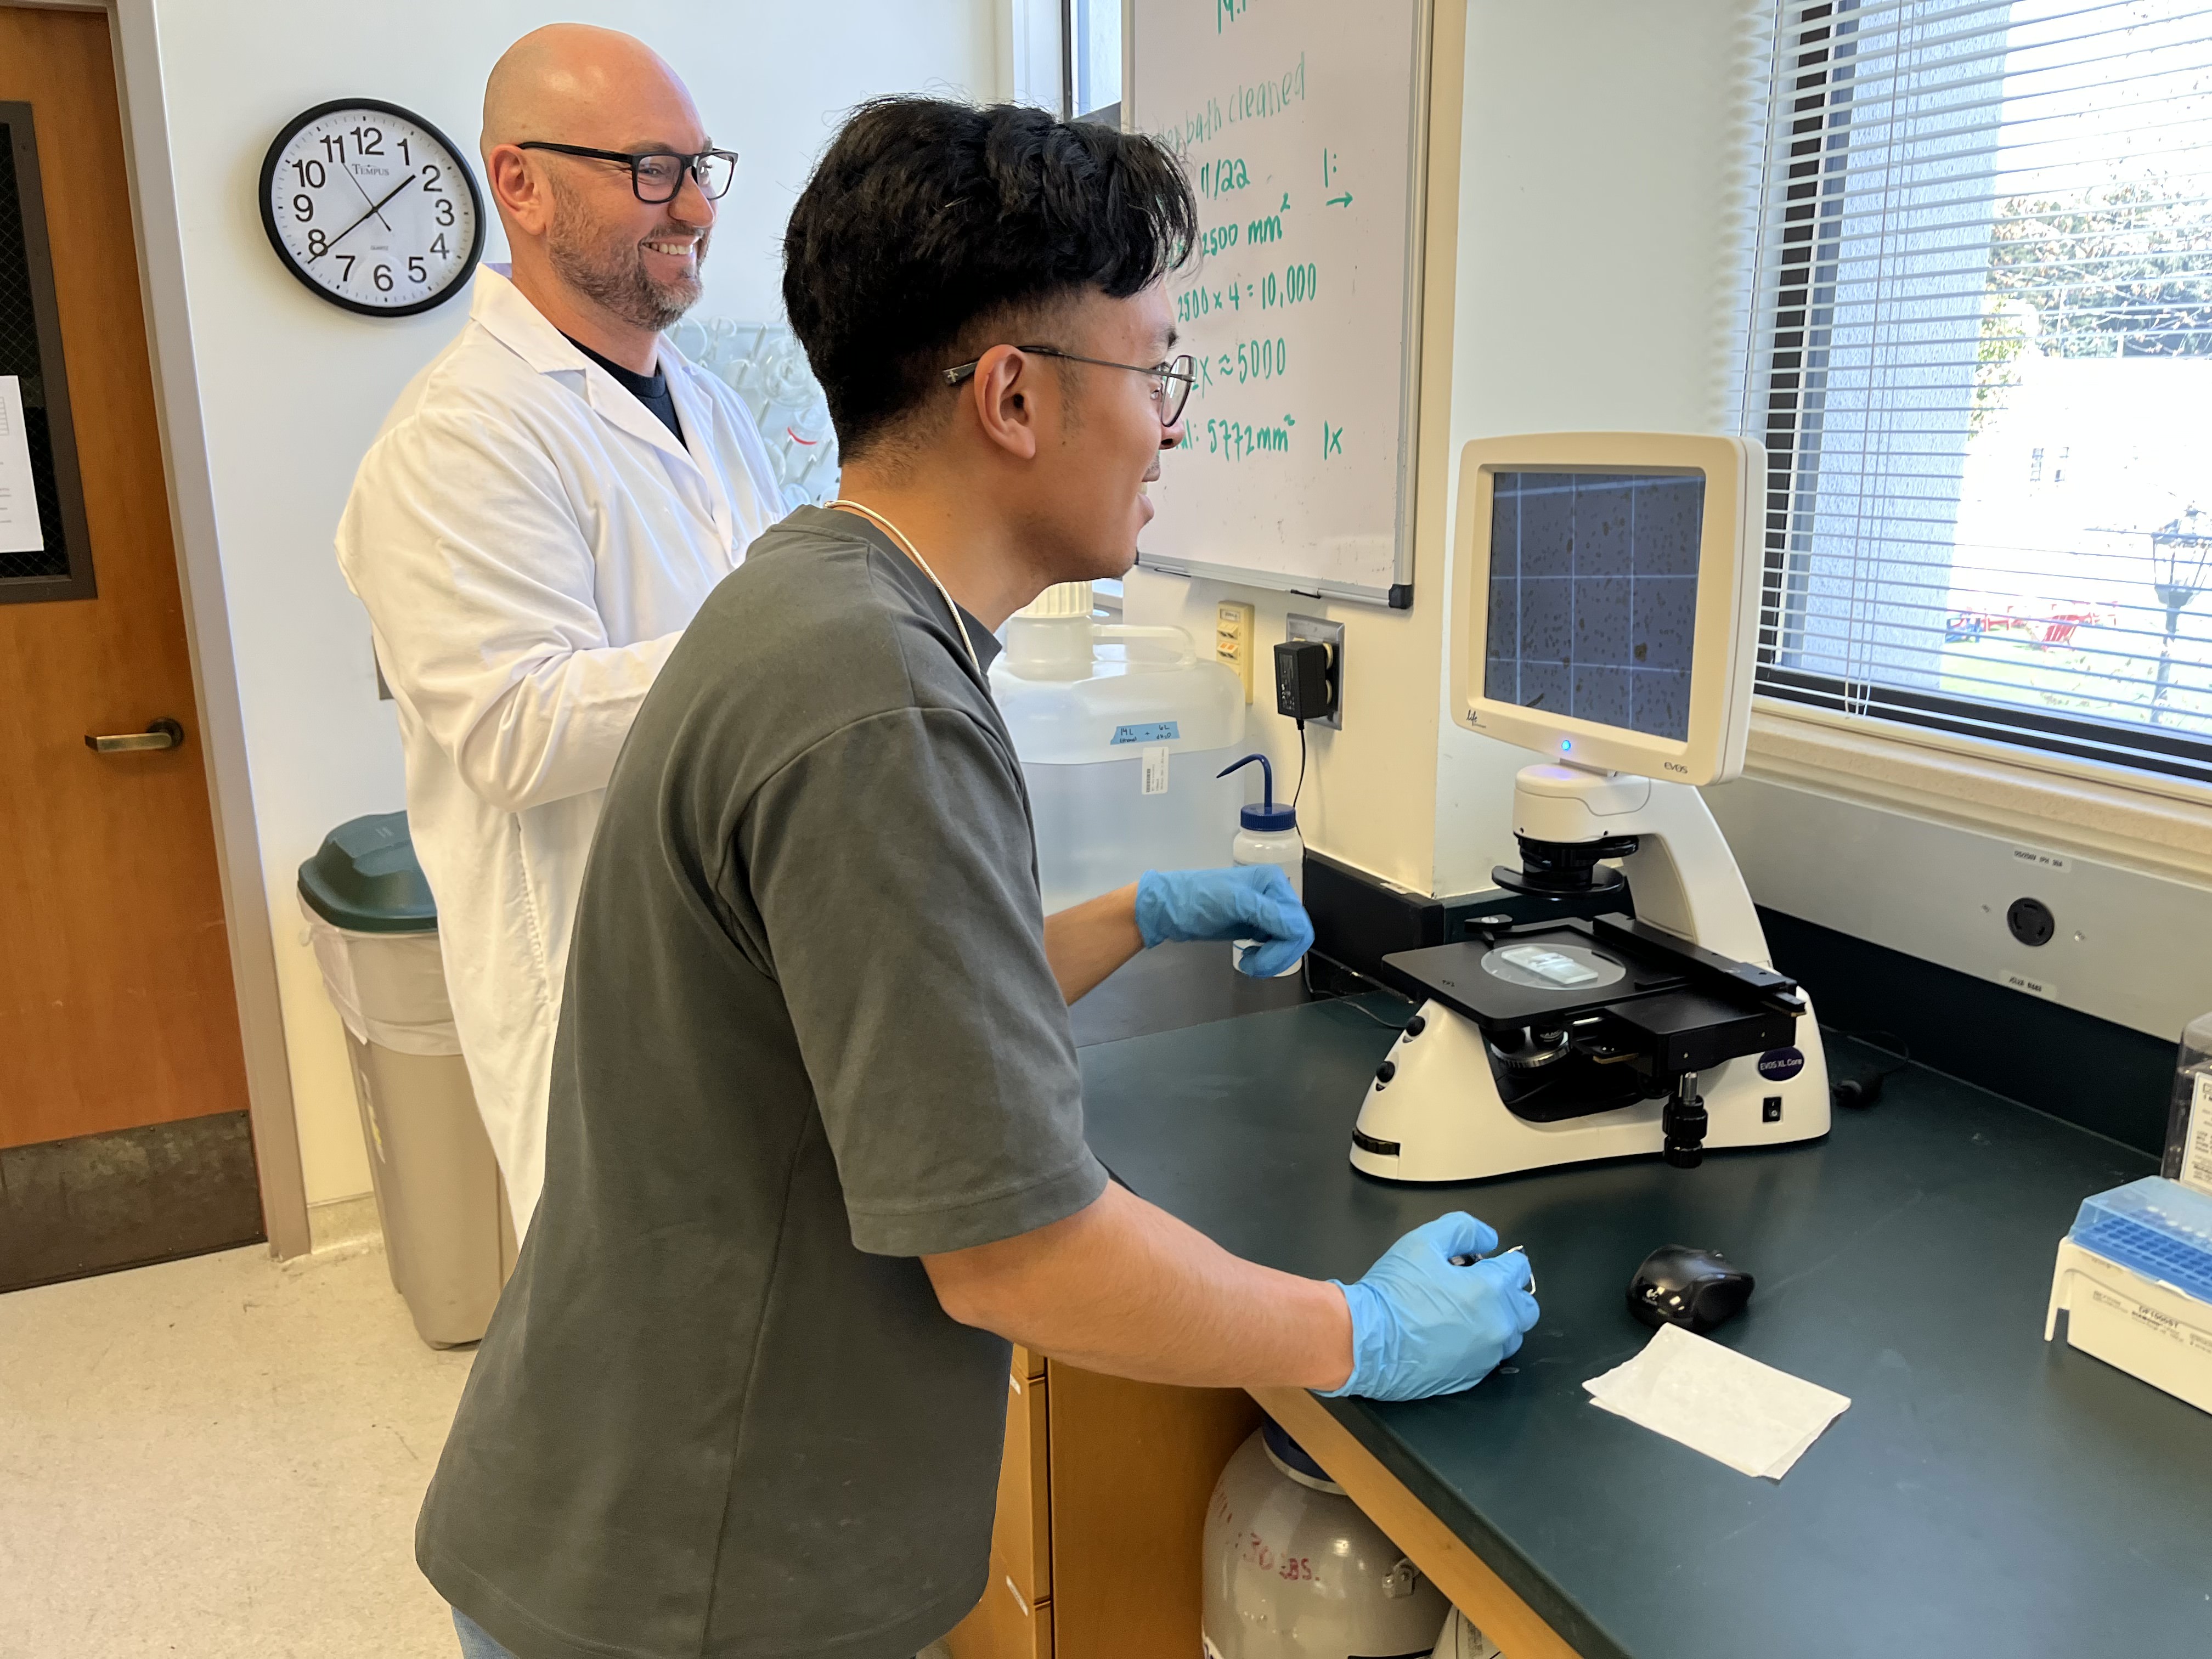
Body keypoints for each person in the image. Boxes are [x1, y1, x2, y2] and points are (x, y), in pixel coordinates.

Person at [417, 99, 1538, 1659]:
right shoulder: (876, 697)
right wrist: (1359, 1331)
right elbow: (1015, 1254)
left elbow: (872, 1022)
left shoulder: (818, 599)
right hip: (697, 1577)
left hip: (642, 1499)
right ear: (1013, 396)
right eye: (1155, 370)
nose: (1171, 422)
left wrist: (1125, 917)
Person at [335, 25, 779, 1237]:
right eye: (649, 168)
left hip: (747, 959)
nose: (693, 205)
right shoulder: (457, 440)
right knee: (641, 1366)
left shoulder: (714, 409)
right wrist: (793, 637)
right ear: (518, 182)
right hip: (597, 1001)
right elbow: (515, 733)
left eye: (702, 166)